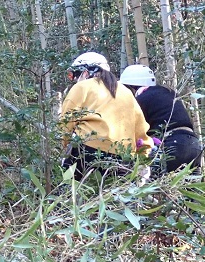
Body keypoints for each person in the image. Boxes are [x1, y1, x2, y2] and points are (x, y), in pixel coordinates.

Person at [60, 52, 155, 181]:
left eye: (74, 75)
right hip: (122, 156)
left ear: (86, 72)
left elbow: (66, 122)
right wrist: (143, 157)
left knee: (68, 190)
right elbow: (140, 130)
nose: (75, 80)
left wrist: (63, 147)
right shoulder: (126, 92)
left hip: (87, 149)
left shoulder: (82, 87)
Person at [119, 64, 202, 176]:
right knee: (190, 190)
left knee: (157, 187)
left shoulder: (141, 99)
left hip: (172, 144)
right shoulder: (168, 92)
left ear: (132, 87)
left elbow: (133, 132)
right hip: (194, 144)